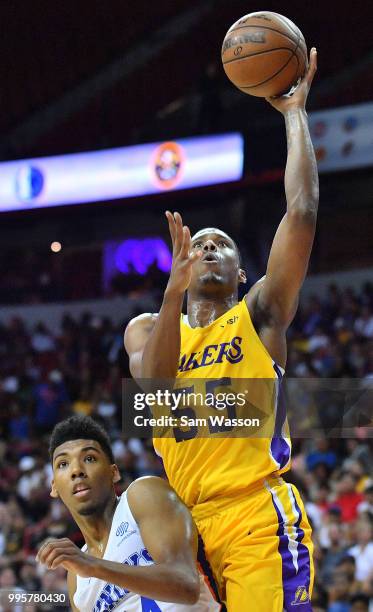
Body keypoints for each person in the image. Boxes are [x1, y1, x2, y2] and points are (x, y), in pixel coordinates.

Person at [124, 48, 319, 612]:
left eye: (221, 245)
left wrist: (293, 112)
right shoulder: (146, 328)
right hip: (185, 537)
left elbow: (301, 210)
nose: (208, 247)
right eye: (199, 243)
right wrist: (171, 294)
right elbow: (156, 389)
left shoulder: (258, 313)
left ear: (240, 272)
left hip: (256, 515)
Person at [36, 416, 221, 611]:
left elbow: (186, 585)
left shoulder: (141, 496)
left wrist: (94, 566)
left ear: (113, 472)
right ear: (54, 487)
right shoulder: (76, 577)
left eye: (89, 458)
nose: (76, 470)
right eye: (63, 464)